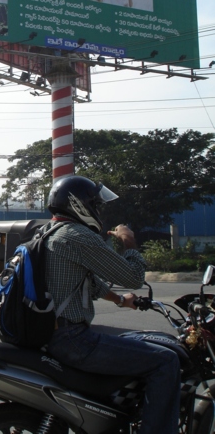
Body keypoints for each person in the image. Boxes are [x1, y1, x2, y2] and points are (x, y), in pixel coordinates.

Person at [44, 175, 181, 434]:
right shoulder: (78, 236)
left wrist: (120, 300)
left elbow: (85, 284)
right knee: (166, 360)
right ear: (80, 206)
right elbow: (132, 277)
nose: (98, 211)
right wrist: (128, 240)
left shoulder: (49, 232)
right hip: (73, 340)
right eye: (95, 205)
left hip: (51, 334)